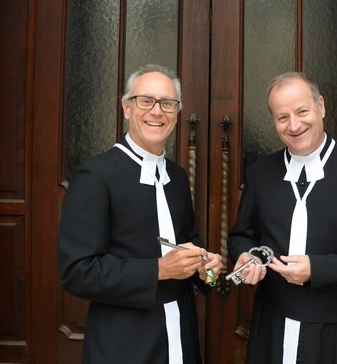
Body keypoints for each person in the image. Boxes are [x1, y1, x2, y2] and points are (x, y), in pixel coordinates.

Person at [227, 72, 337, 364]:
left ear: (320, 106)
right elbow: (241, 234)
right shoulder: (260, 174)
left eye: (302, 111)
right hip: (272, 321)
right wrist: (246, 255)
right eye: (282, 117)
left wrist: (318, 268)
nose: (294, 125)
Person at [58, 64, 222, 363]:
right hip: (123, 341)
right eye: (145, 100)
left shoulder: (178, 176)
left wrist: (206, 266)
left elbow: (187, 240)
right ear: (126, 108)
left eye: (168, 103)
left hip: (180, 332)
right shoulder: (96, 176)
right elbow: (77, 272)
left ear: (177, 112)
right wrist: (159, 269)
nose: (157, 112)